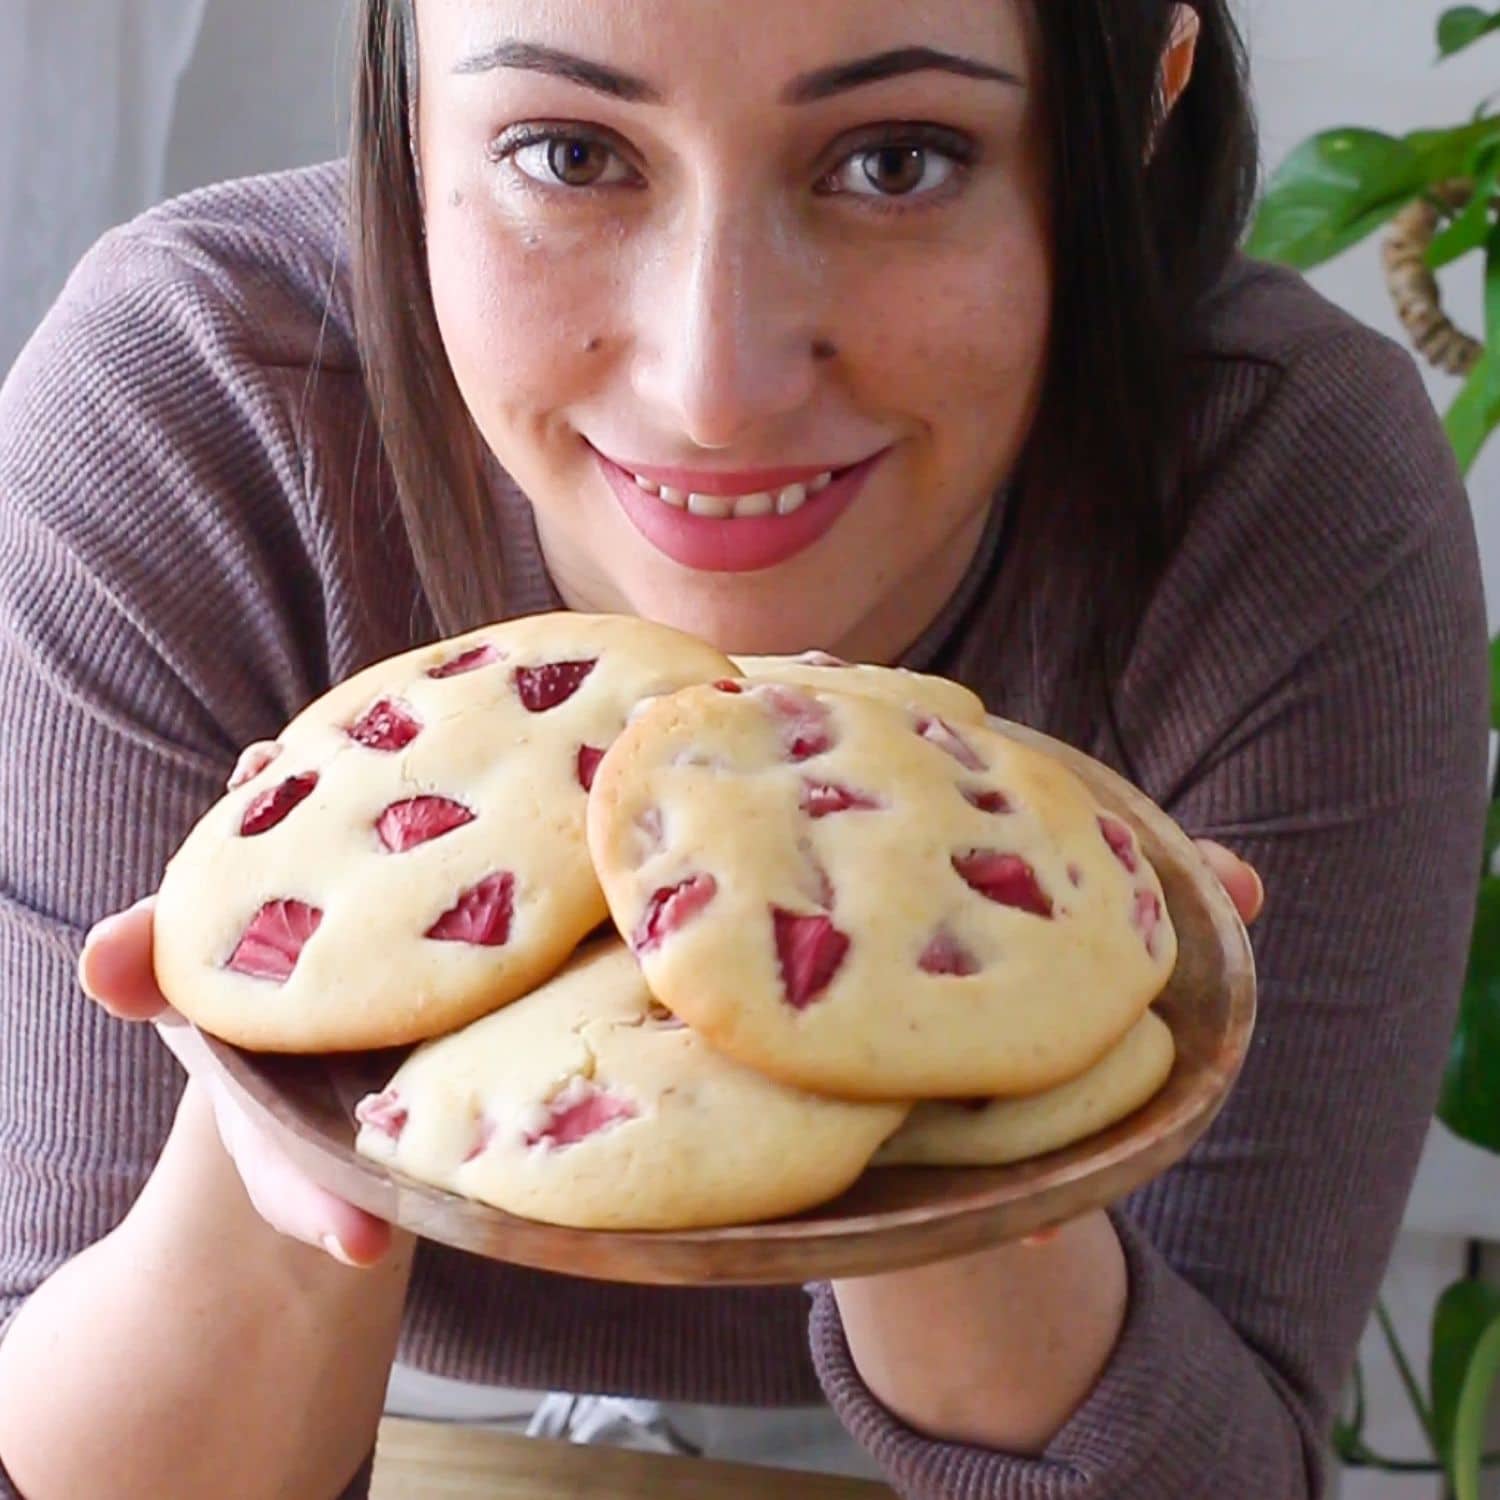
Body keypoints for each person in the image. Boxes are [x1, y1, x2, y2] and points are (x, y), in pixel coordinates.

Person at [0, 1, 1487, 1496]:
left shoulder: (1282, 486)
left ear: (1140, 96)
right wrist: (291, 1094)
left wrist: (954, 1086)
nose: (715, 387)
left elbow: (1229, 1467)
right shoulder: (192, 414)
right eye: (569, 150)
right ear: (401, 104)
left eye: (898, 161)